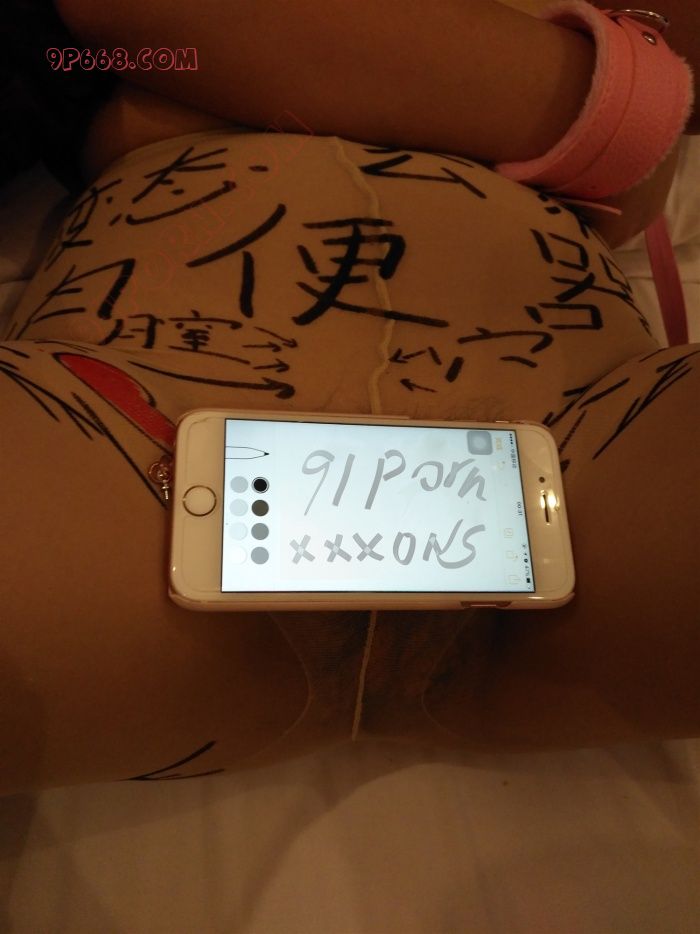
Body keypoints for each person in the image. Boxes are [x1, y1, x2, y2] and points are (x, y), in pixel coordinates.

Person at [0, 0, 698, 797]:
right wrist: (593, 92)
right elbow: (119, 22)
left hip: (591, 469)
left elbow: (638, 177)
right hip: (134, 446)